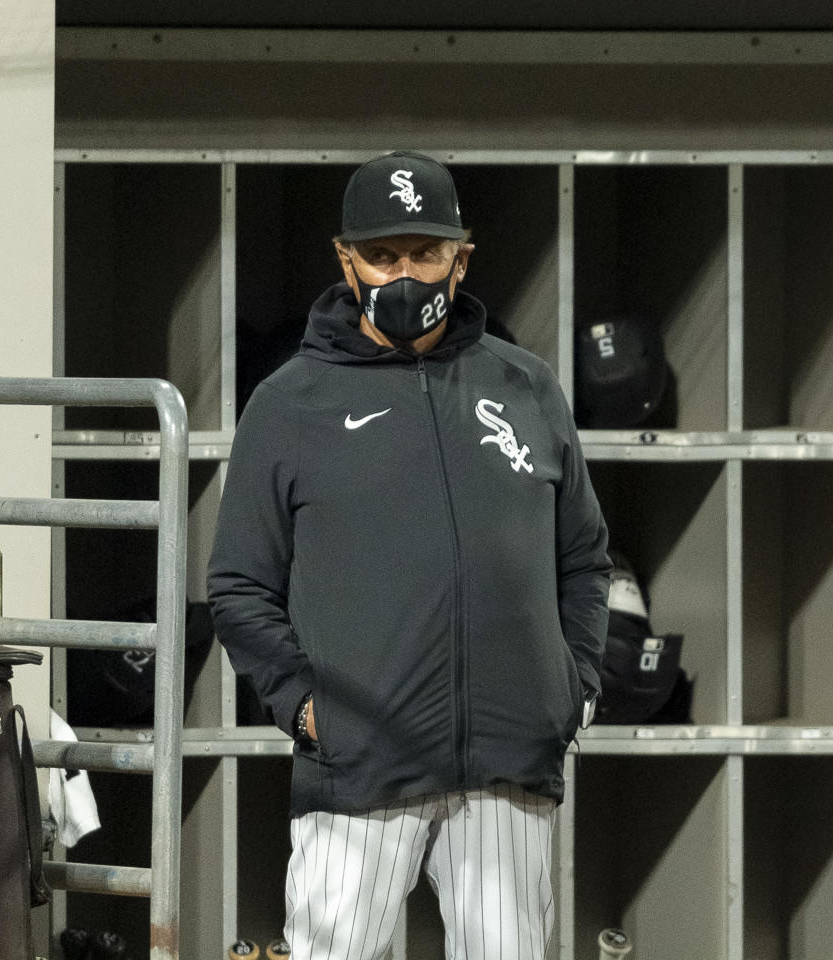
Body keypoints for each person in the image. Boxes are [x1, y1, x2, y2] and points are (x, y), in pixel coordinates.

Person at [207, 150, 610, 960]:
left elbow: (584, 557)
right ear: (345, 260)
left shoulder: (526, 387)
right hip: (360, 761)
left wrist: (573, 689)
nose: (406, 274)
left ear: (462, 258)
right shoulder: (290, 403)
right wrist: (307, 706)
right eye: (383, 254)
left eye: (426, 253)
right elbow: (238, 585)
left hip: (509, 760)